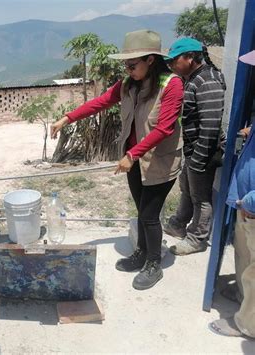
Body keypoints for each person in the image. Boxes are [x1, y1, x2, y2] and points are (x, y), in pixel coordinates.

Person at [51, 30, 184, 290]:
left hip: (159, 160)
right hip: (132, 159)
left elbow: (165, 128)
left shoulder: (172, 85)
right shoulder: (128, 84)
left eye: (132, 64)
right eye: (126, 64)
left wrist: (133, 154)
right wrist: (68, 118)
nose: (128, 69)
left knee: (149, 214)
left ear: (151, 60)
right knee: (141, 210)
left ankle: (154, 264)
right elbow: (101, 102)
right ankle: (142, 252)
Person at [163, 38, 226, 255]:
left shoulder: (207, 80)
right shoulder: (193, 78)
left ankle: (197, 239)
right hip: (194, 150)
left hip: (204, 151)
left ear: (190, 58)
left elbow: (210, 126)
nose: (171, 65)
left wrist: (198, 160)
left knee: (200, 197)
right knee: (187, 190)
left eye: (174, 60)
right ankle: (179, 224)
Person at [209, 50, 255, 339]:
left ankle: (247, 324)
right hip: (246, 202)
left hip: (252, 204)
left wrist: (250, 201)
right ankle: (242, 295)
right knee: (245, 256)